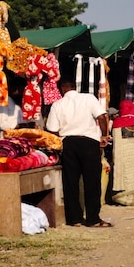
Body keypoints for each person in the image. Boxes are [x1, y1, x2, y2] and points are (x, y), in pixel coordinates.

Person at [46, 79, 111, 227]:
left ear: (62, 89)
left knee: (71, 181)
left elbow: (53, 129)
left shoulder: (57, 104)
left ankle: (74, 219)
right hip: (89, 142)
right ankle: (93, 218)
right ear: (76, 87)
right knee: (92, 181)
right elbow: (102, 116)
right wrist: (104, 135)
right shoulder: (88, 98)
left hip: (68, 143)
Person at [109, 100, 134, 206]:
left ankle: (124, 198)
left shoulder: (118, 123)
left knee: (127, 175)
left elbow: (117, 142)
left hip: (126, 153)